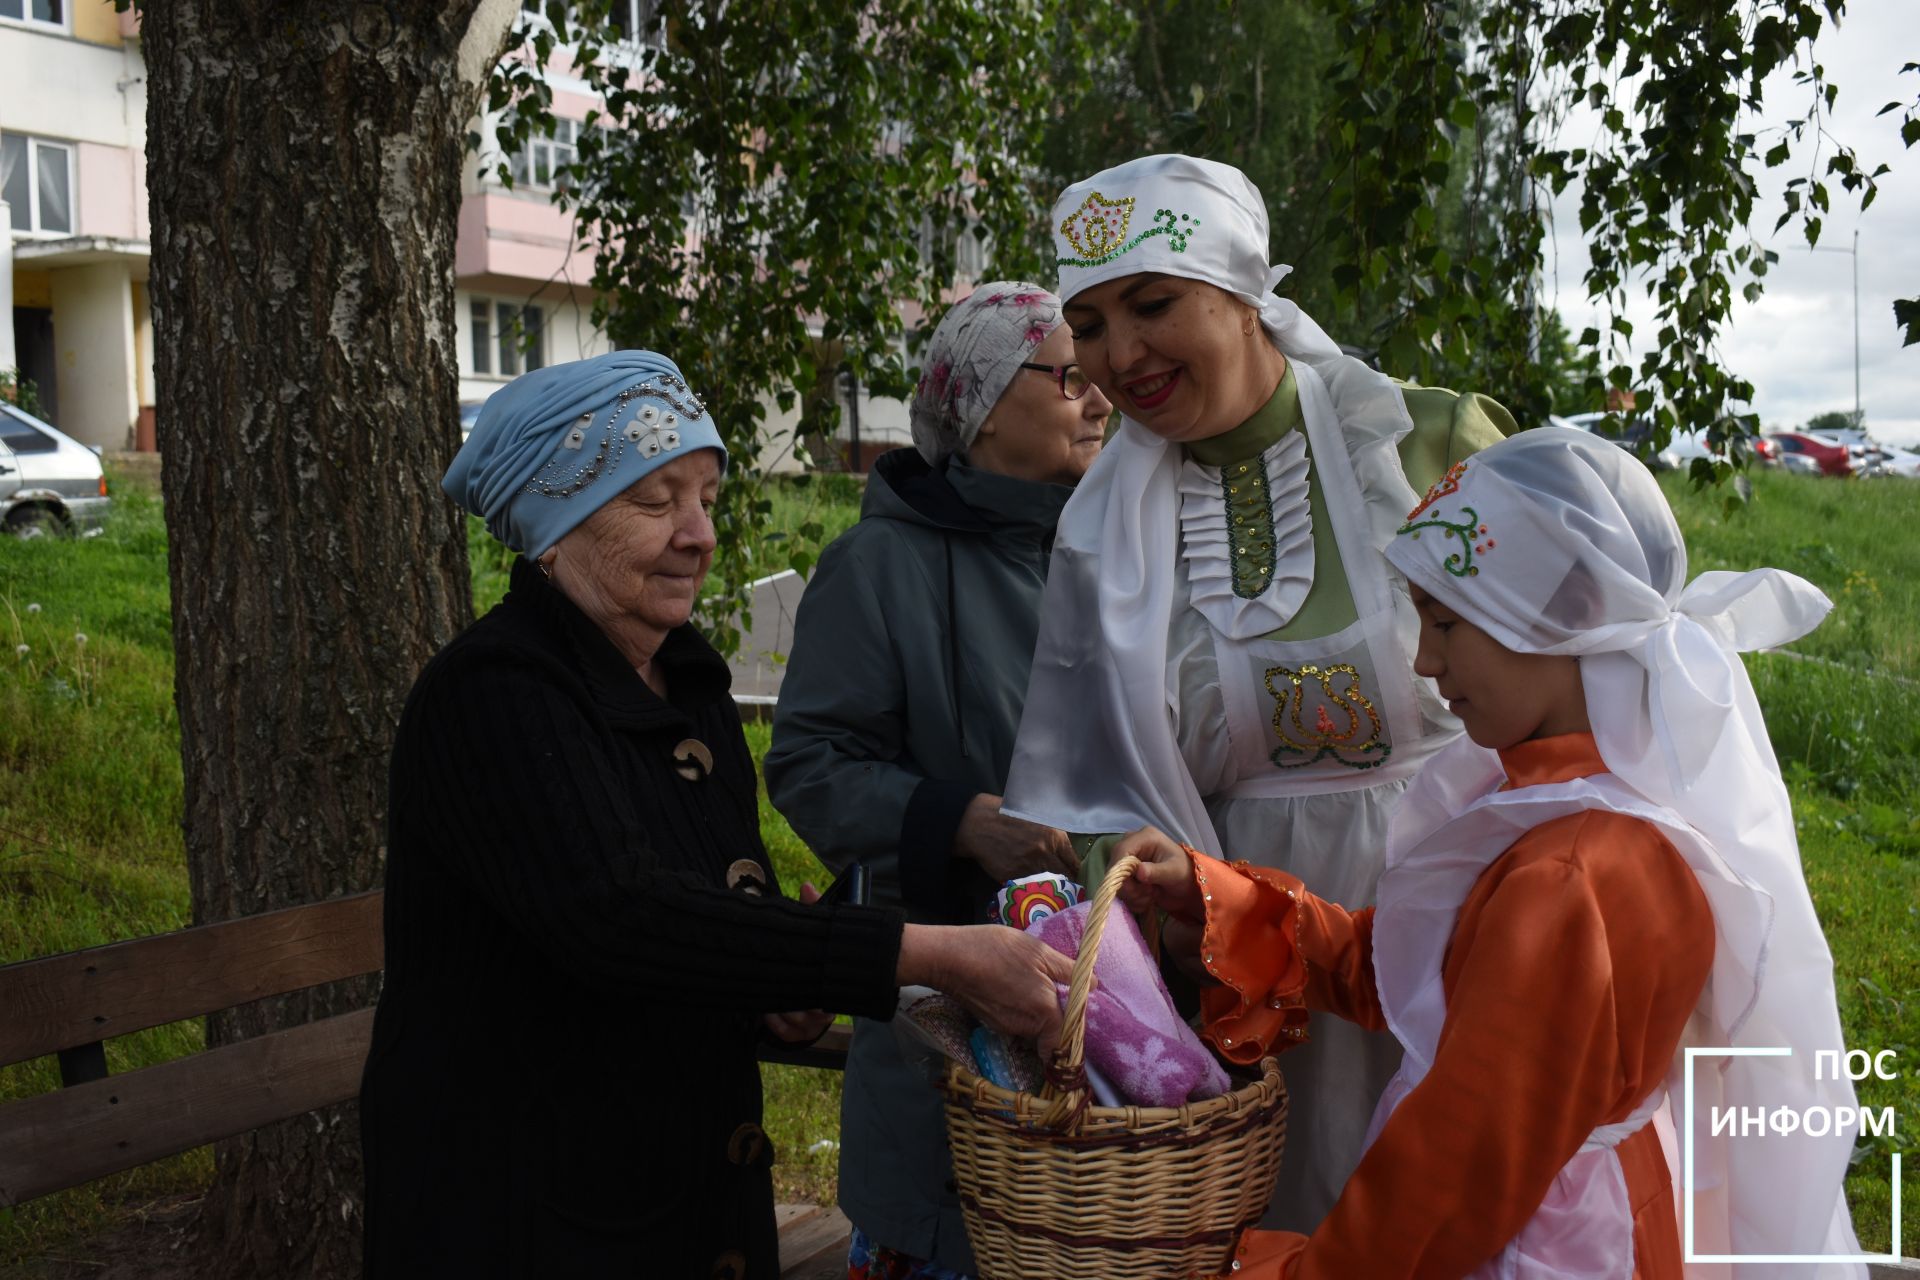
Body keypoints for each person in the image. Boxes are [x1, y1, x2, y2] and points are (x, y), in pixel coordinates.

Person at [360, 350, 1073, 1280]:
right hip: (527, 1209)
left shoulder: (683, 680)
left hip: (676, 1195)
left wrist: (767, 993)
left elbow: (703, 917)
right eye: (656, 502)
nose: (699, 534)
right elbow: (622, 918)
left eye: (705, 497)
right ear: (554, 525)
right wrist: (920, 951)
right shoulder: (495, 691)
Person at [1114, 428, 1866, 1278]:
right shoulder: (1585, 802)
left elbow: (1453, 1168)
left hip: (1534, 1244)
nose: (1425, 661)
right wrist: (1221, 901)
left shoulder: (1569, 873)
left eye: (1445, 623)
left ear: (1555, 621)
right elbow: (1406, 967)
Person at [1000, 153, 1516, 1227]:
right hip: (1241, 974)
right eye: (1089, 324)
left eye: (1152, 303)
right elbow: (1093, 788)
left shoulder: (1422, 444)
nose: (1118, 357)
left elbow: (1569, 683)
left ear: (1243, 290)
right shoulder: (1099, 537)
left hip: (1457, 923)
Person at [764, 283, 1113, 1277]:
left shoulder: (1114, 554)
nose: (1099, 401)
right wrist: (956, 820)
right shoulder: (877, 567)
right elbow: (808, 764)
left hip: (1112, 1018)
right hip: (945, 1047)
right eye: (1072, 376)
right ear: (987, 402)